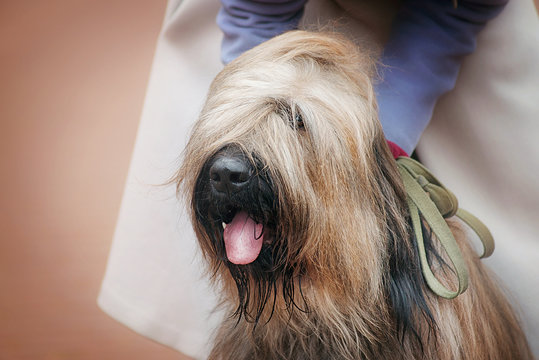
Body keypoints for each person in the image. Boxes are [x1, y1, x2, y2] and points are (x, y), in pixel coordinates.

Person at [98, 0, 539, 358]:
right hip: (281, 18)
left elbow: (453, 13)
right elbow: (256, 13)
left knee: (511, 237)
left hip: (455, 15)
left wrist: (379, 144)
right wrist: (252, 104)